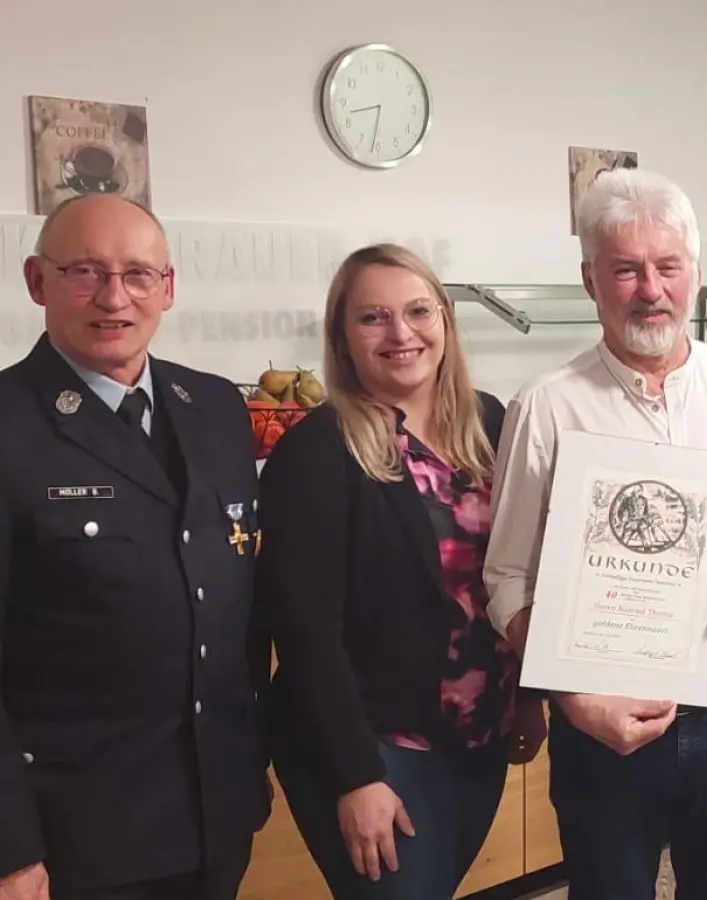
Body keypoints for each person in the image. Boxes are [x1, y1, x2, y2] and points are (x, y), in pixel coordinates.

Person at [482, 168, 707, 900]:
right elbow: (506, 581)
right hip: (600, 719)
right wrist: (572, 699)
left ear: (694, 273)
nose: (651, 289)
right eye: (626, 270)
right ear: (590, 279)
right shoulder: (545, 408)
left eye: (668, 267)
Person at [0, 194, 270, 900]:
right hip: (77, 834)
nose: (114, 297)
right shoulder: (8, 425)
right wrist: (10, 846)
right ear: (37, 282)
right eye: (84, 272)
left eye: (138, 275)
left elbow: (238, 597)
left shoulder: (213, 406)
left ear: (168, 288)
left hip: (215, 813)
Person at [255, 244, 531, 899]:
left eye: (417, 312)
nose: (401, 333)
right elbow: (305, 633)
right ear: (342, 339)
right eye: (373, 318)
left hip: (479, 738)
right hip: (378, 751)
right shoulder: (317, 450)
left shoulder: (490, 423)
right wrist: (355, 777)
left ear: (445, 322)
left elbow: (517, 570)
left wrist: (529, 695)